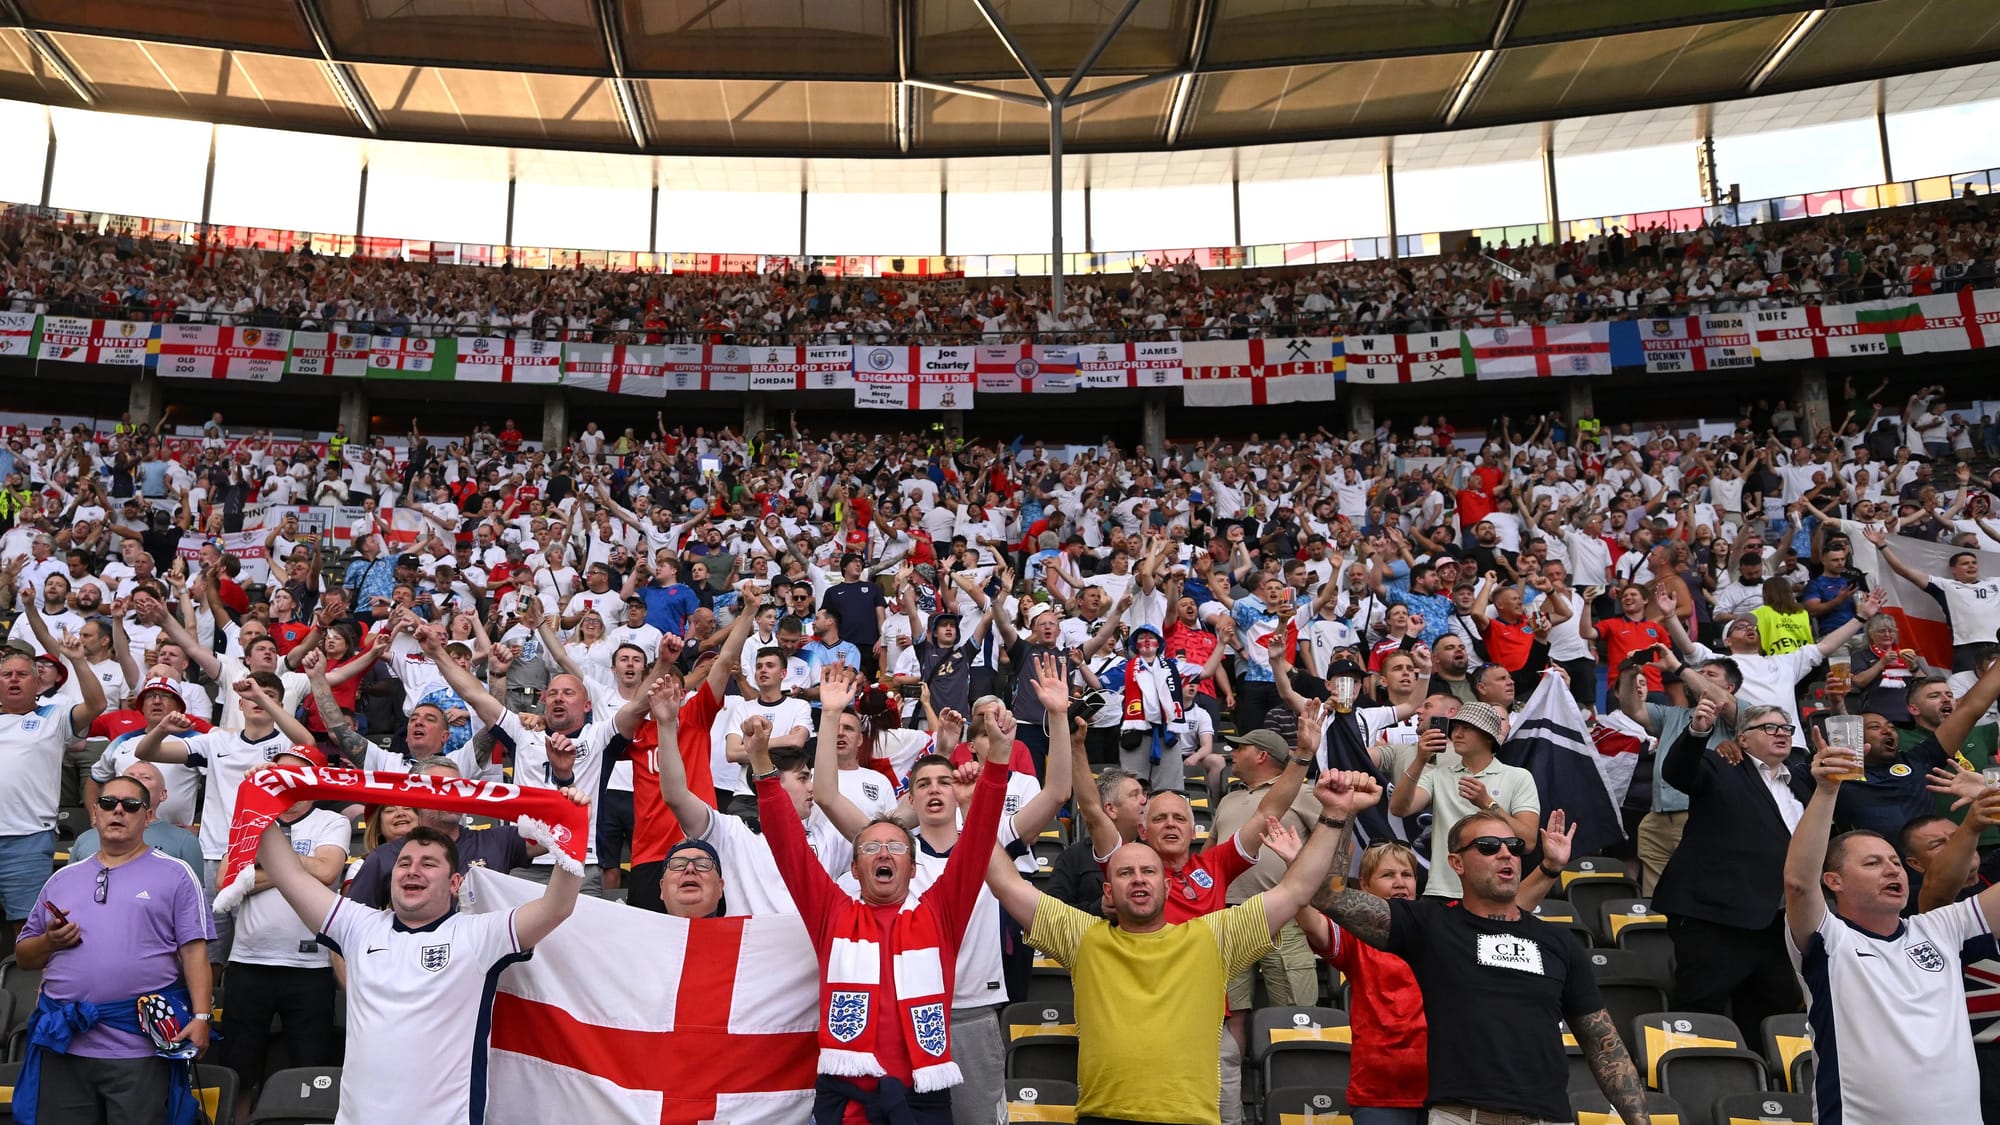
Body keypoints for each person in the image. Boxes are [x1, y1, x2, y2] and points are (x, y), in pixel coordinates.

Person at [980, 768, 1352, 1125]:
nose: (1138, 880)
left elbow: (1297, 889)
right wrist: (971, 810)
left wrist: (1333, 815)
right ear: (1108, 891)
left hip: (1190, 1117)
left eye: (1149, 872)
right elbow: (1007, 884)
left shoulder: (1213, 937)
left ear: (1169, 886)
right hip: (1104, 1115)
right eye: (1125, 873)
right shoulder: (1083, 937)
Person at [814, 658, 1074, 1125]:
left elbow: (1056, 793)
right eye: (922, 784)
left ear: (959, 789)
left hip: (971, 1009)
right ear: (907, 798)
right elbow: (829, 798)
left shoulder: (990, 844)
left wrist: (1056, 715)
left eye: (945, 780)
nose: (936, 790)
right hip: (896, 1018)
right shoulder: (889, 850)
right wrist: (830, 714)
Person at [752, 669, 1013, 1124]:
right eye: (871, 847)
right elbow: (788, 847)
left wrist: (997, 766)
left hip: (923, 1095)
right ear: (855, 868)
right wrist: (762, 768)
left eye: (896, 846)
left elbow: (973, 852)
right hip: (847, 1099)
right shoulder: (832, 912)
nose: (884, 853)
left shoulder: (939, 912)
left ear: (913, 868)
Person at [1314, 775, 1651, 1125]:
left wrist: (1640, 1121)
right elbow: (1331, 897)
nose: (1505, 853)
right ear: (1456, 863)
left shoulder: (1559, 943)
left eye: (1514, 846)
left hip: (1548, 1118)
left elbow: (1603, 1044)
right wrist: (1344, 813)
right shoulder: (1429, 926)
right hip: (1461, 1116)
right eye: (1489, 846)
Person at [254, 786, 588, 1125]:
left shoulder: (478, 935)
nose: (413, 871)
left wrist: (574, 825)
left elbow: (556, 907)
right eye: (404, 863)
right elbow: (288, 874)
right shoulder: (358, 926)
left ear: (455, 882)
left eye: (428, 863)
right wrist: (260, 801)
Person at [1783, 729, 2000, 1121]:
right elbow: (1798, 883)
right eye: (1872, 863)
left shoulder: (1941, 928)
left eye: (1895, 862)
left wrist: (1992, 790)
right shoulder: (1831, 939)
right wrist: (1828, 791)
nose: (1891, 869)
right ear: (1834, 881)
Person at [13, 771, 214, 1125]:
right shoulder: (62, 878)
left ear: (148, 817)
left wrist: (201, 1018)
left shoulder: (177, 874)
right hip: (65, 1043)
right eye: (108, 803)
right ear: (94, 814)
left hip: (138, 1044)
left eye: (130, 805)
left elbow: (195, 954)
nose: (117, 811)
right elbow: (24, 956)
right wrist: (50, 941)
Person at [1652, 698, 1812, 1047]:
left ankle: (1767, 1095)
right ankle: (1689, 1089)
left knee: (1774, 1017)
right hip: (1715, 917)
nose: (1780, 734)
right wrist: (1698, 731)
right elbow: (1677, 770)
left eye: (1785, 728)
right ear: (1742, 739)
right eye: (1769, 728)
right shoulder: (1719, 763)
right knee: (1701, 1012)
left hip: (1779, 922)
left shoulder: (1802, 781)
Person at [217, 744, 348, 1120]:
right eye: (280, 770)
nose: (285, 778)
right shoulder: (252, 815)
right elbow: (226, 879)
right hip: (248, 961)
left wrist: (260, 868)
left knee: (310, 1069)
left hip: (310, 968)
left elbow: (327, 872)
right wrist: (290, 871)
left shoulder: (329, 821)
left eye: (296, 771)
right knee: (239, 1070)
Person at [0, 634, 107, 931]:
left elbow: (97, 703)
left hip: (29, 839)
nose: (13, 680)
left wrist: (78, 661)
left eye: (22, 674)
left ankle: (19, 979)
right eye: (6, 674)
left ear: (37, 684)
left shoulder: (54, 716)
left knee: (27, 927)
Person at [1387, 701, 1540, 899]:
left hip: (1493, 894)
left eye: (1467, 728)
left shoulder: (1518, 777)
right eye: (1456, 727)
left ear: (1488, 736)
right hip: (1440, 892)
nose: (1457, 733)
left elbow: (1527, 842)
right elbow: (1399, 808)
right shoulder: (1438, 775)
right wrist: (1420, 760)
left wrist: (1488, 805)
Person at [65, 761, 202, 874]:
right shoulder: (85, 839)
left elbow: (192, 898)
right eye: (130, 777)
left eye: (146, 777)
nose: (136, 780)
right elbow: (68, 886)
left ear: (163, 794)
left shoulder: (184, 840)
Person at [658, 838, 726, 919]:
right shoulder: (641, 931)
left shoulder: (743, 930)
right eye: (678, 865)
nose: (690, 868)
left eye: (702, 865)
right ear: (662, 888)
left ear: (720, 887)